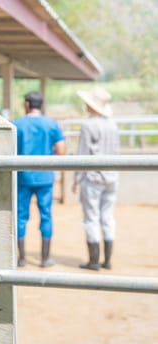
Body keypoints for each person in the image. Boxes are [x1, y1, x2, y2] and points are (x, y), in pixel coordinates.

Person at [13, 91, 66, 267]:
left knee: (20, 216)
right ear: (41, 105)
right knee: (46, 215)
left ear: (27, 104)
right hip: (45, 177)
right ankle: (45, 258)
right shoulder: (51, 124)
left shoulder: (17, 124)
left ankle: (21, 258)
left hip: (23, 177)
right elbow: (61, 149)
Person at [72, 87, 119, 271]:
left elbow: (83, 153)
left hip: (93, 177)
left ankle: (93, 260)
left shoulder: (88, 125)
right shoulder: (112, 124)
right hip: (112, 176)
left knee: (91, 218)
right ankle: (107, 260)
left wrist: (76, 179)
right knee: (107, 217)